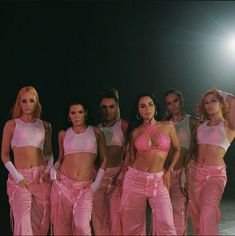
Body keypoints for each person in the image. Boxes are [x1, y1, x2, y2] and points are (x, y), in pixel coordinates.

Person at [120, 92, 180, 235]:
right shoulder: (135, 132)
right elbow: (131, 158)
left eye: (150, 104)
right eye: (143, 106)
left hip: (158, 180)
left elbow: (177, 150)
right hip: (135, 179)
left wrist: (170, 170)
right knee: (133, 225)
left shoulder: (168, 126)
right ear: (138, 111)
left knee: (166, 223)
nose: (147, 109)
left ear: (156, 107)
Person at [50, 97, 108, 235]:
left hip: (85, 187)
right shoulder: (63, 134)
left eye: (80, 112)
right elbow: (60, 157)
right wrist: (53, 169)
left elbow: (104, 158)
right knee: (62, 229)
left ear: (85, 113)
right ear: (68, 116)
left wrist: (96, 184)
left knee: (82, 227)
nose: (77, 116)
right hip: (62, 185)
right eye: (73, 113)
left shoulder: (95, 132)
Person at [1, 86, 53, 235]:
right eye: (24, 101)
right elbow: (4, 154)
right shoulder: (11, 125)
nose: (28, 104)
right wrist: (17, 176)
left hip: (41, 178)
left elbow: (49, 154)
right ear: (19, 103)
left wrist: (48, 169)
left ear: (37, 102)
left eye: (32, 101)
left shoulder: (45, 126)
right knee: (23, 222)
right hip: (20, 179)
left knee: (41, 224)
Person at [187, 88, 235, 235]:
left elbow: (233, 101)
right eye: (206, 102)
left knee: (208, 209)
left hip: (215, 175)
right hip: (194, 172)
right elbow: (192, 150)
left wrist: (218, 92)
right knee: (195, 215)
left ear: (221, 103)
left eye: (213, 101)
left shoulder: (229, 125)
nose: (209, 105)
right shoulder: (201, 126)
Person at [164, 89, 200, 235]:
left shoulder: (193, 122)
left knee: (178, 214)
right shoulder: (164, 123)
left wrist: (186, 172)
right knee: (163, 215)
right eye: (169, 103)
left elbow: (196, 150)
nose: (173, 105)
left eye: (175, 101)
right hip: (164, 174)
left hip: (181, 174)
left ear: (182, 100)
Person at [92, 88, 128, 235]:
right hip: (99, 176)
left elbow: (131, 153)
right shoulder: (96, 129)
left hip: (117, 177)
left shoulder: (124, 125)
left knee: (116, 217)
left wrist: (122, 174)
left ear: (117, 107)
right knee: (99, 219)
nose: (108, 111)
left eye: (111, 106)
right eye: (104, 107)